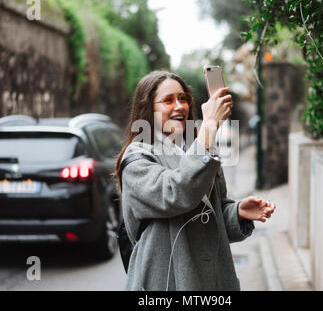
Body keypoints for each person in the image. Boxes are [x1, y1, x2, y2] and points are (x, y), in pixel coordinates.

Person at [115, 70, 276, 291]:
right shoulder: (137, 158)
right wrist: (209, 125)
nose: (179, 106)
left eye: (183, 98)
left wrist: (237, 212)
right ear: (148, 110)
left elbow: (210, 214)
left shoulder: (197, 149)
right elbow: (177, 193)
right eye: (168, 100)